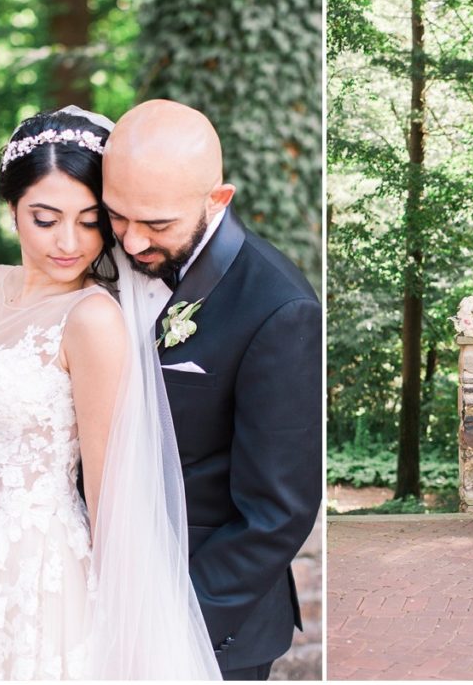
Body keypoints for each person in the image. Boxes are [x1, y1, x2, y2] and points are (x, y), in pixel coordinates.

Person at [0, 109, 220, 679]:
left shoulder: (90, 319)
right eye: (46, 218)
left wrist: (125, 624)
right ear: (12, 208)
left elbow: (108, 482)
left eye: (91, 222)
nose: (70, 242)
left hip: (36, 565)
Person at [101, 99, 322, 681]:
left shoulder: (279, 308)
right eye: (117, 216)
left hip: (205, 625)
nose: (130, 242)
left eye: (157, 224)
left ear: (217, 200)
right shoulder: (99, 262)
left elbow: (277, 511)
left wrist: (170, 624)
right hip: (95, 606)